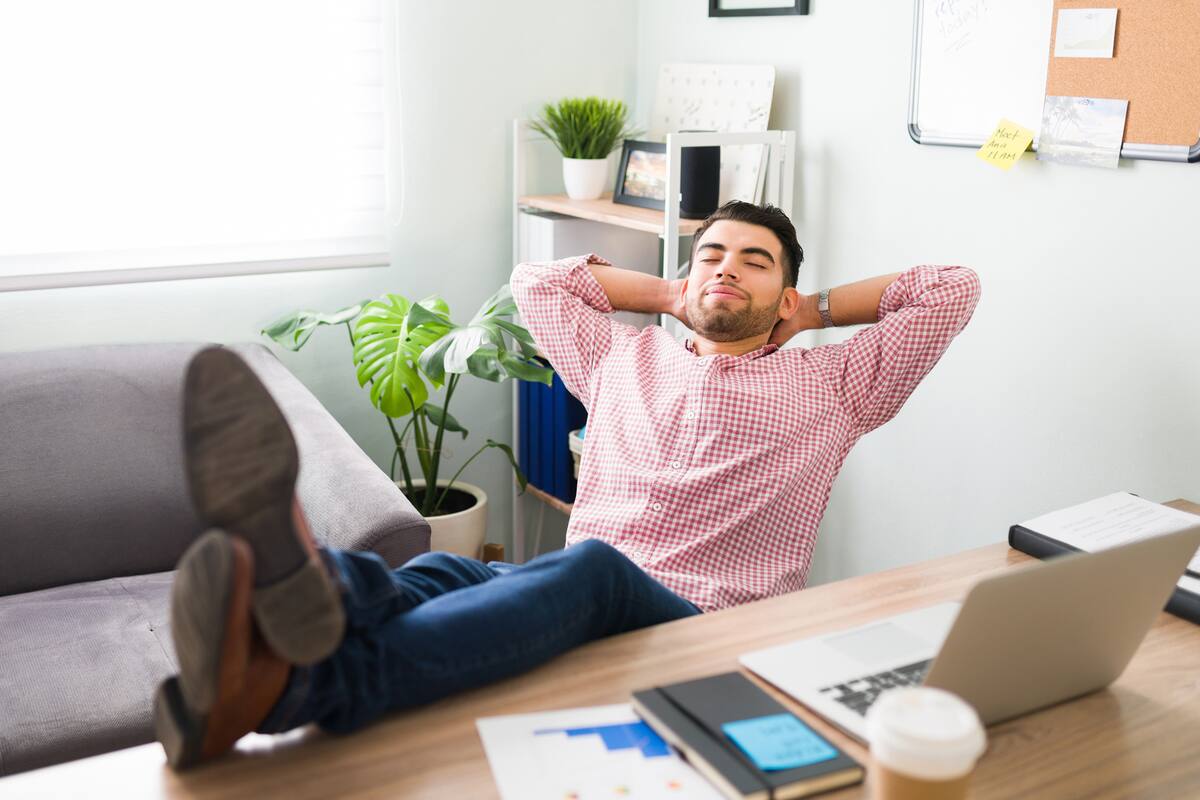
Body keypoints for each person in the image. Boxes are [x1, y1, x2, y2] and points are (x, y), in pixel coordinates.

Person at [156, 201, 980, 768]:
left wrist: (816, 312)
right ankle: (297, 607)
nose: (727, 269)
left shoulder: (838, 384)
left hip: (707, 624)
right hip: (572, 583)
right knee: (452, 570)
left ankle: (307, 678)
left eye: (754, 263)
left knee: (593, 569)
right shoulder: (623, 355)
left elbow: (950, 290)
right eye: (711, 257)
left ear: (787, 293)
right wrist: (676, 296)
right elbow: (538, 282)